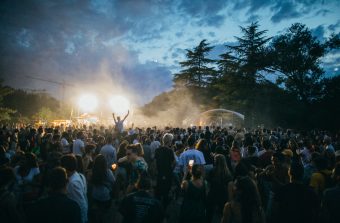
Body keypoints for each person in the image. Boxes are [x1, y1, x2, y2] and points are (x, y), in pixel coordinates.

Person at [61, 154, 88, 223]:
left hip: (78, 216)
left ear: (65, 167)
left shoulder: (73, 183)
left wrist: (83, 219)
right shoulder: (79, 175)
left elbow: (80, 203)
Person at [88, 155, 115, 223]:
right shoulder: (108, 172)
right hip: (105, 195)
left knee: (98, 209)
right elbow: (113, 181)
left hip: (95, 194)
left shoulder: (92, 171)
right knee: (104, 212)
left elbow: (89, 181)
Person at [206, 154, 232, 223]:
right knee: (222, 214)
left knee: (209, 213)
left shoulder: (212, 171)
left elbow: (208, 184)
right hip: (223, 194)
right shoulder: (228, 173)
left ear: (215, 161)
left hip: (213, 193)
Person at [154, 133, 176, 208]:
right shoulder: (170, 151)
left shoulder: (157, 150)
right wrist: (171, 169)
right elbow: (174, 163)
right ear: (169, 141)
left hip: (159, 173)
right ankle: (163, 209)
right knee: (166, 192)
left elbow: (154, 162)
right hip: (167, 173)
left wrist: (156, 170)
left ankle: (157, 208)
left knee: (158, 191)